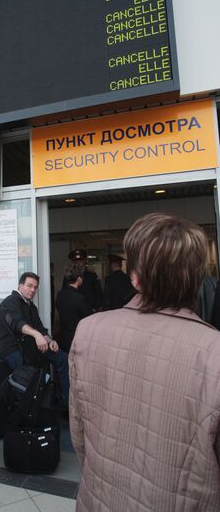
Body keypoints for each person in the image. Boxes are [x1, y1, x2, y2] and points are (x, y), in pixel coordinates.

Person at [69, 213, 220, 512]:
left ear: (135, 278)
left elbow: (79, 433)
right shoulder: (213, 352)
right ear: (197, 277)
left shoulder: (88, 330)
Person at [0, 271, 69, 407]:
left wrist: (50, 340)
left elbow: (40, 329)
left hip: (30, 344)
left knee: (62, 358)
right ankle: (28, 412)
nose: (33, 290)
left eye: (35, 287)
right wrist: (37, 335)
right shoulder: (9, 303)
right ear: (20, 285)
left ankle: (64, 402)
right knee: (27, 377)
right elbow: (17, 324)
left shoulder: (31, 306)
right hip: (12, 348)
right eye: (29, 286)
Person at [55, 262, 93, 353]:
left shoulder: (60, 294)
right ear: (79, 279)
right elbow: (89, 319)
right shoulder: (80, 298)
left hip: (62, 337)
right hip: (77, 339)